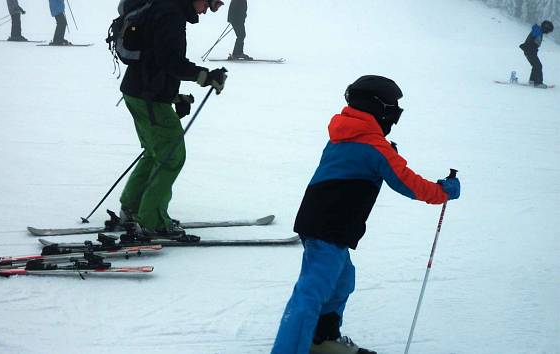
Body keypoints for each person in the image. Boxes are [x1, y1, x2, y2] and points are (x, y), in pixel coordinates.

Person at [271, 75, 461, 354]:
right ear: (377, 108)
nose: (394, 118)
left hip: (325, 223)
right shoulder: (373, 146)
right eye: (392, 111)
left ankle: (321, 339)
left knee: (342, 279)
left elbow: (360, 164)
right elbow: (408, 183)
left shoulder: (346, 134)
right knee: (311, 293)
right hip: (330, 225)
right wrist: (442, 191)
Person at [118, 0, 228, 238]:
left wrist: (174, 96)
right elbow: (170, 62)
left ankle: (132, 208)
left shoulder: (164, 8)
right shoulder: (171, 14)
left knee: (154, 151)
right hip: (149, 97)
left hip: (138, 92)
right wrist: (206, 76)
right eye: (211, 4)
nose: (209, 10)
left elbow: (155, 59)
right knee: (171, 155)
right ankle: (151, 221)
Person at [519, 20, 554, 88]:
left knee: (536, 66)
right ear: (546, 28)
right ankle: (538, 83)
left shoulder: (539, 31)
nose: (548, 33)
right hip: (529, 51)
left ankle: (532, 81)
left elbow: (534, 41)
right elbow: (532, 38)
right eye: (548, 31)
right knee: (538, 66)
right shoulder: (538, 31)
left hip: (530, 51)